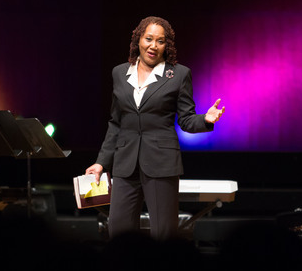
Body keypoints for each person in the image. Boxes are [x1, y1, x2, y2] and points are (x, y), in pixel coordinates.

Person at [86, 16, 225, 240]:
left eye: (160, 41)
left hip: (161, 163)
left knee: (164, 234)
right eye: (148, 39)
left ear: (166, 46)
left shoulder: (178, 75)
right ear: (138, 40)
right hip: (125, 163)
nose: (153, 45)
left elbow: (186, 119)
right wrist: (101, 162)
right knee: (118, 233)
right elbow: (116, 123)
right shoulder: (119, 73)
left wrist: (206, 120)